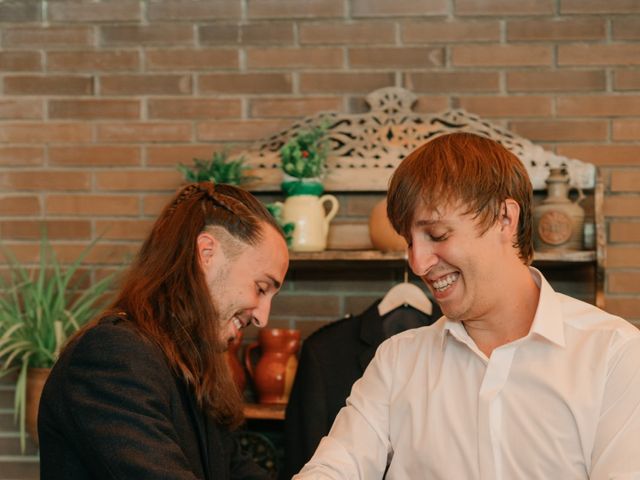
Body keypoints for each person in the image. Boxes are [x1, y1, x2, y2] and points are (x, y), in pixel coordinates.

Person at [294, 132, 640, 479]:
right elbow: (333, 468)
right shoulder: (397, 361)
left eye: (438, 235)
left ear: (505, 218)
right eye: (409, 242)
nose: (418, 263)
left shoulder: (614, 354)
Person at [38, 181, 289, 480]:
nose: (263, 316)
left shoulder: (191, 366)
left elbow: (237, 472)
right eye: (261, 288)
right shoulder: (111, 356)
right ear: (206, 254)